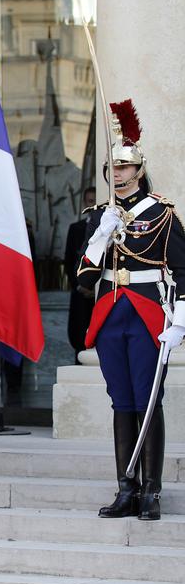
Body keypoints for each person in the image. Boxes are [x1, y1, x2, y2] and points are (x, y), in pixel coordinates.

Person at [76, 101, 185, 521]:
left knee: (148, 399)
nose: (117, 174)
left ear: (138, 171)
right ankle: (126, 487)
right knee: (121, 400)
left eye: (124, 168)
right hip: (111, 314)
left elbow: (183, 268)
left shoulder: (161, 213)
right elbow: (84, 280)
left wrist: (180, 319)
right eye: (113, 168)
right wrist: (100, 238)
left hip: (146, 313)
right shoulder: (100, 216)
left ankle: (152, 491)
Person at [64, 187, 98, 360]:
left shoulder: (106, 227)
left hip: (100, 293)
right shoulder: (75, 228)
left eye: (95, 201)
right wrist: (79, 286)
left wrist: (96, 288)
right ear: (85, 203)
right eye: (90, 201)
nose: (92, 205)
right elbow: (69, 260)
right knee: (79, 334)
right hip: (80, 292)